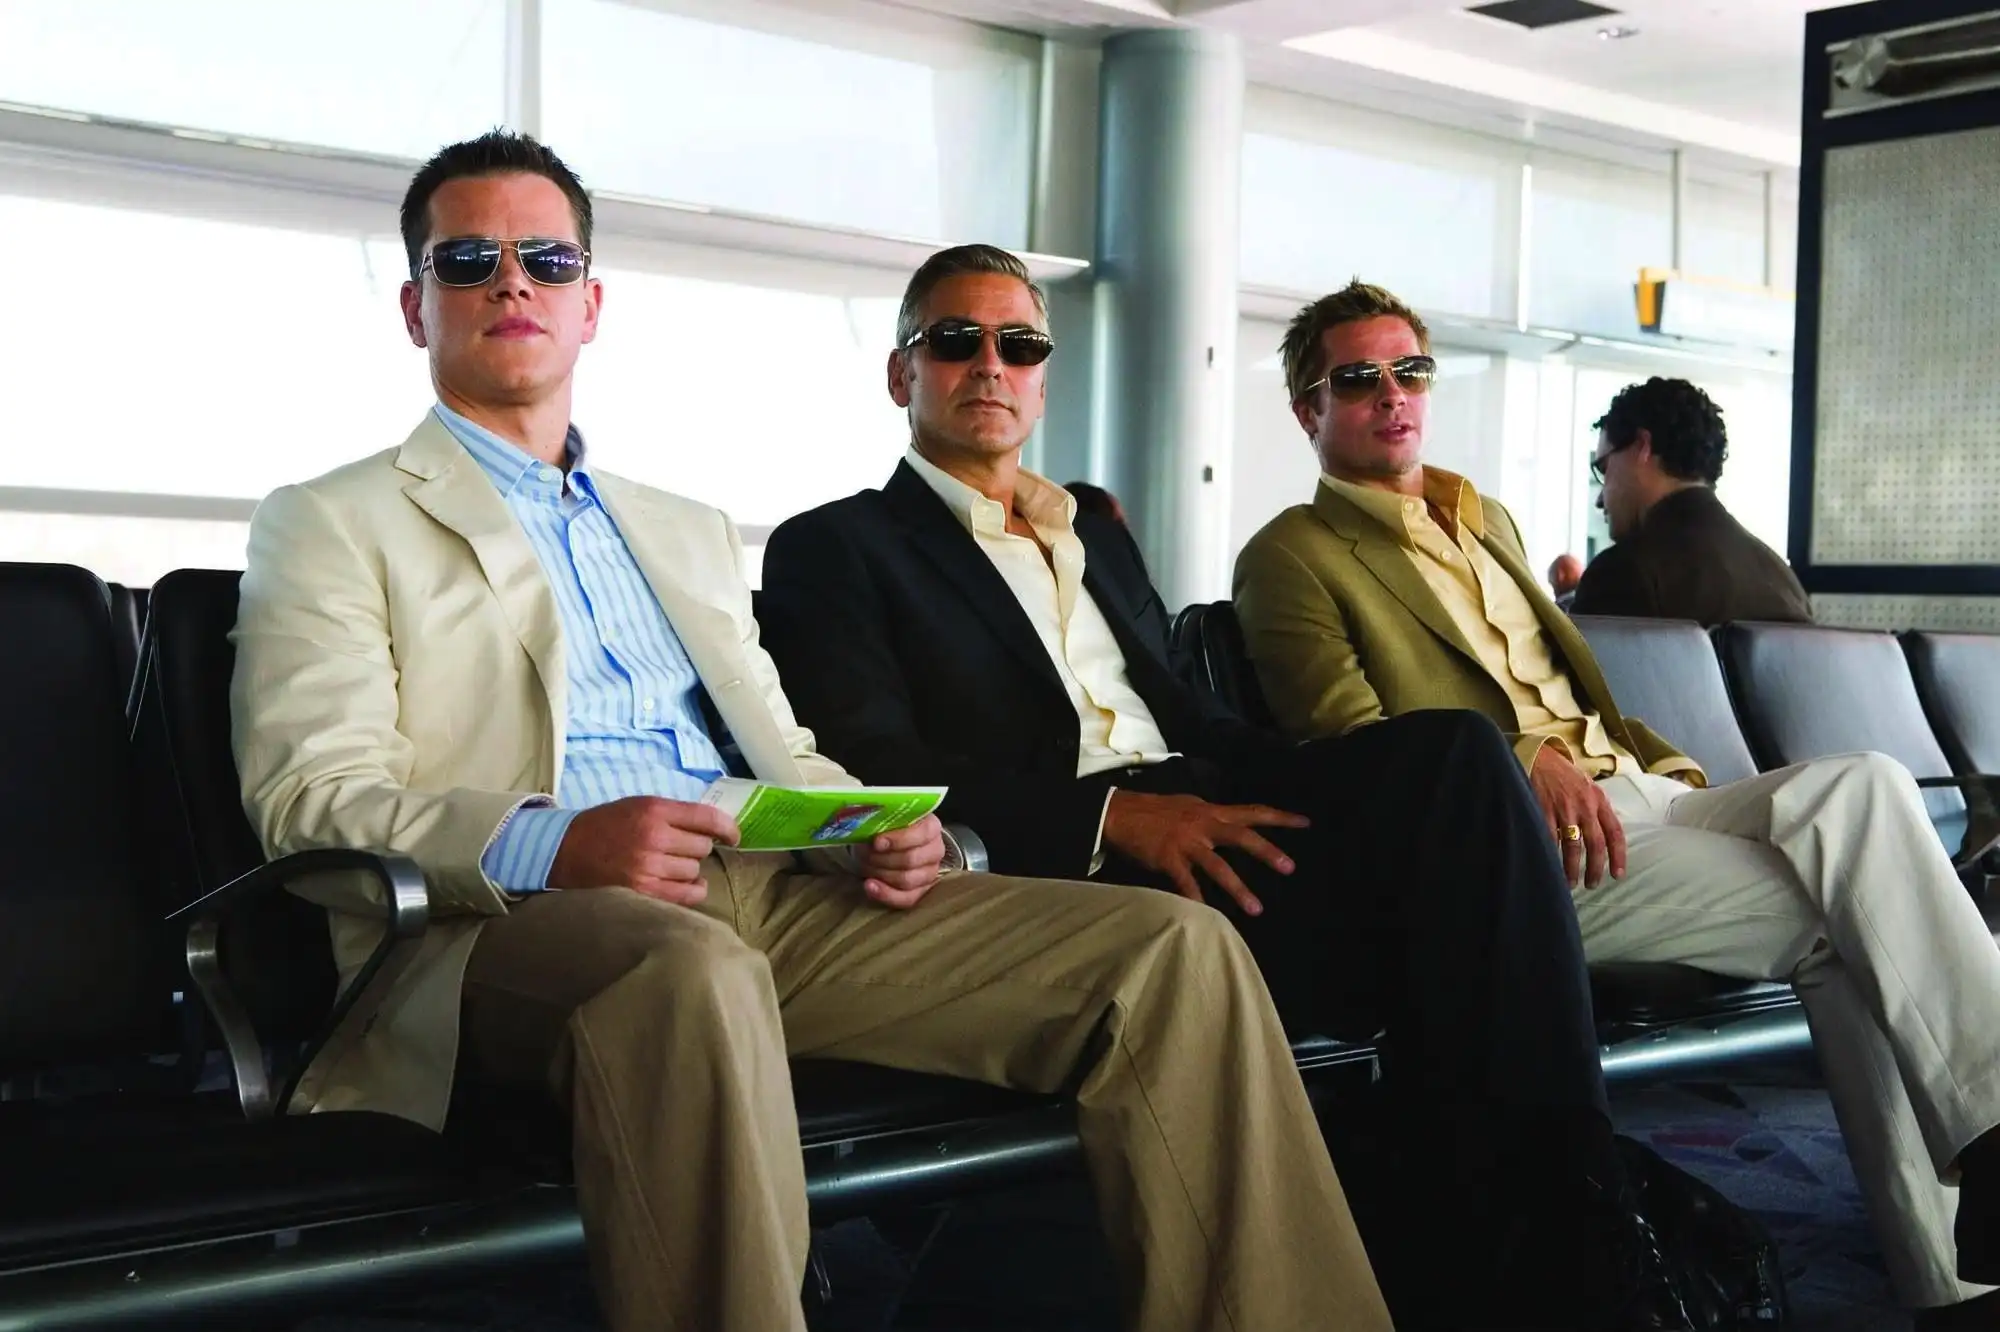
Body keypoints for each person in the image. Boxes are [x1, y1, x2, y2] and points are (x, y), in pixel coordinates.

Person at [229, 134, 1395, 1332]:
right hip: (510, 927)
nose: (511, 281)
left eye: (547, 258)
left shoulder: (678, 529)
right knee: (687, 976)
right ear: (417, 307)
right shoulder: (332, 521)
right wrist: (553, 841)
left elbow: (783, 747)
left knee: (1170, 956)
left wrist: (877, 825)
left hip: (774, 886)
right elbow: (311, 796)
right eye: (470, 259)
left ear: (591, 304)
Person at [758, 244, 1693, 1332]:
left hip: (1208, 815)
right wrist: (1114, 816)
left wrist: (1323, 786)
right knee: (1457, 933)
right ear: (899, 375)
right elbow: (879, 765)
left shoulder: (1091, 537)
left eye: (1018, 344)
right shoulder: (838, 546)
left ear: (1042, 374)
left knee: (1453, 757)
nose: (988, 366)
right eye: (954, 342)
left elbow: (1198, 720)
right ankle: (1556, 1252)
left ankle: (1550, 1207)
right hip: (1074, 863)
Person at [1231, 277, 2000, 1329]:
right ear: (1305, 409)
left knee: (1862, 785)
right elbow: (1344, 743)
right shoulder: (1289, 556)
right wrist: (1514, 761)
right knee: (1847, 918)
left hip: (1643, 795)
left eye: (1407, 370)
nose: (1389, 394)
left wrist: (1670, 779)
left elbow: (1577, 689)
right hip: (1518, 849)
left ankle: (1986, 1169)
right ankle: (1960, 1276)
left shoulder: (1482, 518)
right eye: (1354, 378)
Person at [1572, 378, 1813, 625]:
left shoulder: (1624, 573)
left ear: (1642, 447)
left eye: (1604, 468)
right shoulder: (1782, 580)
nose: (1600, 500)